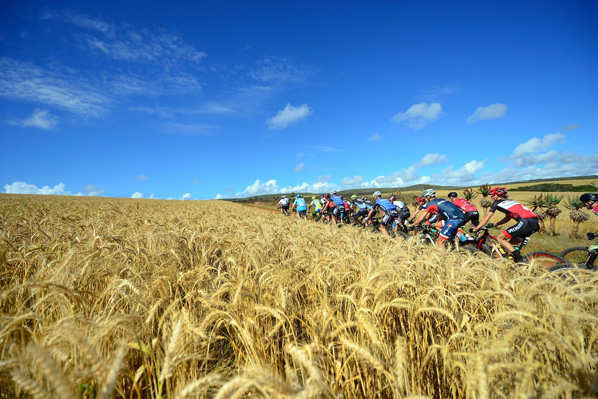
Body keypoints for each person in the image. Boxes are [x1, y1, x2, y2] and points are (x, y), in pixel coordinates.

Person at [473, 187, 539, 262]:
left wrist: (476, 228)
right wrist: (496, 224)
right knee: (512, 244)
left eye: (492, 196)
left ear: (496, 196)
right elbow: (508, 218)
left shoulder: (497, 203)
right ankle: (517, 263)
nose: (492, 198)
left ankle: (520, 259)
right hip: (535, 223)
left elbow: (486, 218)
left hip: (525, 222)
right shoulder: (510, 201)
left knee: (500, 238)